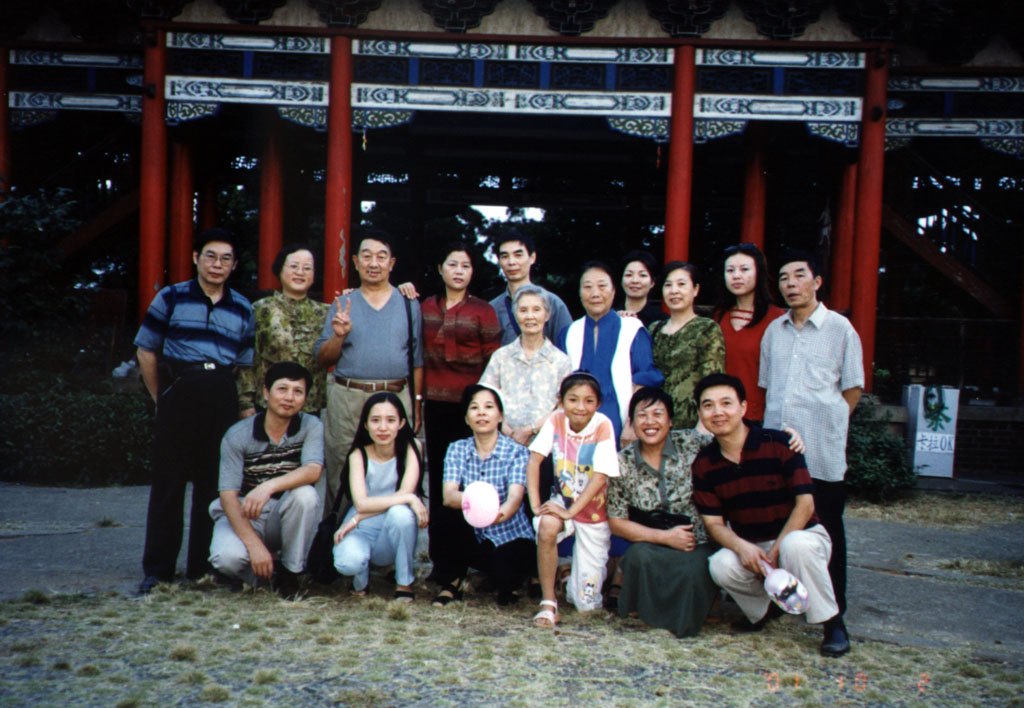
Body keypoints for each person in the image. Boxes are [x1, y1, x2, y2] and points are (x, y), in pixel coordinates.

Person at [134, 228, 254, 594]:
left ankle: (203, 568)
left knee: (213, 486)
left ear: (234, 265)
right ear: (196, 258)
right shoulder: (171, 297)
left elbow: (244, 362)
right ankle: (158, 571)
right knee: (168, 486)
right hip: (179, 391)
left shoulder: (242, 307)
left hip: (220, 395)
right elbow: (146, 349)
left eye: (226, 258)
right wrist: (161, 397)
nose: (217, 264)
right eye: (210, 256)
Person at [692, 373, 845, 656]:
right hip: (753, 544)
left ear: (743, 407)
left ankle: (832, 623)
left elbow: (806, 505)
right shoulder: (704, 464)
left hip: (802, 535)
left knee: (794, 545)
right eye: (708, 405)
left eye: (726, 403)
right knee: (721, 564)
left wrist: (777, 549)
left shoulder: (780, 443)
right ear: (700, 413)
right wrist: (742, 547)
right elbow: (714, 524)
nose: (718, 412)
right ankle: (764, 612)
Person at [759, 250, 864, 657]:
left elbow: (852, 389)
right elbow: (768, 388)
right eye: (784, 277)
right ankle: (778, 600)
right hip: (778, 452)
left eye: (799, 275)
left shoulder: (840, 329)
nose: (790, 284)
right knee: (778, 525)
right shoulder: (774, 331)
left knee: (827, 532)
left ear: (817, 282)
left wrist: (828, 422)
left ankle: (834, 620)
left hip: (821, 450)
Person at [315, 229, 424, 517]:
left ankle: (392, 534)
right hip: (348, 397)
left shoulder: (409, 304)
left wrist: (417, 405)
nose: (373, 263)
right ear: (355, 261)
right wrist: (339, 336)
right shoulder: (343, 303)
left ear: (392, 263)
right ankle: (337, 534)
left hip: (395, 396)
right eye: (367, 256)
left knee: (396, 467)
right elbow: (322, 358)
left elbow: (417, 360)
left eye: (381, 256)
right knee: (341, 466)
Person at [605, 387, 717, 637]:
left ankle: (689, 616)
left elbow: (732, 440)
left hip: (695, 540)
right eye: (642, 415)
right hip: (653, 540)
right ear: (631, 423)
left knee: (696, 568)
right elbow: (616, 521)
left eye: (658, 414)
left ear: (670, 420)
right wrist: (665, 538)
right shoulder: (621, 463)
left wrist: (783, 437)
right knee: (637, 557)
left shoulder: (691, 443)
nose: (650, 422)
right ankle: (648, 613)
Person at [421, 242, 502, 578]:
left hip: (471, 410)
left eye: (465, 266)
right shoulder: (425, 307)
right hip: (435, 406)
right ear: (440, 269)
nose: (458, 271)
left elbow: (493, 364)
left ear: (472, 272)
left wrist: (482, 409)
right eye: (452, 264)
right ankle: (442, 562)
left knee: (473, 481)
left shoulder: (484, 311)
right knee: (442, 482)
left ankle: (474, 558)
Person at [209, 362, 324, 598]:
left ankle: (290, 573)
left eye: (298, 391)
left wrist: (267, 487)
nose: (289, 397)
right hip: (246, 512)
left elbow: (313, 470)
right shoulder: (238, 435)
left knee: (306, 495)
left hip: (283, 512)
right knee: (226, 559)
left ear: (305, 398)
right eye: (282, 389)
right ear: (266, 392)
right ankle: (265, 569)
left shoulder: (311, 426)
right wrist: (254, 546)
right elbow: (228, 496)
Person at [527, 373, 620, 625]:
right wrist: (536, 505)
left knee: (585, 605)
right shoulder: (556, 420)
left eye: (589, 401)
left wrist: (572, 512)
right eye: (573, 399)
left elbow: (599, 477)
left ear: (598, 403)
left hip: (593, 511)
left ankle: (574, 577)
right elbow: (535, 460)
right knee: (547, 526)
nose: (580, 407)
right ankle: (548, 602)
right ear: (561, 401)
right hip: (563, 500)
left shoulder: (603, 425)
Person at [432, 385, 536, 607]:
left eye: (489, 407)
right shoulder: (457, 449)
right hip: (474, 533)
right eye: (474, 408)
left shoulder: (517, 451)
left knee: (504, 572)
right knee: (444, 515)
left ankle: (510, 583)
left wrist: (489, 513)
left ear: (500, 417)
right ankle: (452, 582)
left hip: (510, 534)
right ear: (467, 419)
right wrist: (478, 506)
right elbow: (449, 496)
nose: (481, 412)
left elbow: (514, 500)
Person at [332, 393, 427, 600]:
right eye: (375, 420)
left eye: (390, 420)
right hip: (361, 528)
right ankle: (361, 580)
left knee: (401, 513)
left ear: (402, 423)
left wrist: (358, 517)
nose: (383, 428)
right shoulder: (358, 454)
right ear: (366, 424)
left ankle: (404, 583)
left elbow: (404, 494)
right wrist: (410, 498)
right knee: (347, 563)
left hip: (391, 529)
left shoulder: (413, 447)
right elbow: (361, 503)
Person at [557, 261, 663, 446]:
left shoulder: (632, 329)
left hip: (620, 428)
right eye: (587, 287)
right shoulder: (569, 333)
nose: (595, 293)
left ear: (614, 291)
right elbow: (560, 384)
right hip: (576, 429)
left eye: (602, 286)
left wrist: (632, 423)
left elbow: (644, 380)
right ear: (580, 292)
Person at [238, 245, 330, 417]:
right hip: (269, 404)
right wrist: (245, 402)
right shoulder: (261, 309)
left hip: (311, 406)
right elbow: (248, 359)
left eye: (307, 268)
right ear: (280, 269)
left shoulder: (326, 313)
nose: (300, 272)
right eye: (294, 266)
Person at [479, 284, 572, 447]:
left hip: (547, 446)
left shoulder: (561, 360)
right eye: (523, 310)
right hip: (504, 443)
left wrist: (531, 429)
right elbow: (484, 397)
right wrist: (504, 427)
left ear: (547, 315)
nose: (530, 316)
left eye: (536, 310)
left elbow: (564, 406)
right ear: (516, 315)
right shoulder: (501, 357)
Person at [713, 243, 785, 423]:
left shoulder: (777, 319)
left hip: (761, 417)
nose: (736, 276)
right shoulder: (719, 316)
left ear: (759, 273)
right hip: (721, 414)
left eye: (744, 269)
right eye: (730, 270)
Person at [650, 261, 725, 429]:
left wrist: (704, 424)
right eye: (668, 285)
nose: (674, 290)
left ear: (695, 289)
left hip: (692, 424)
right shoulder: (654, 329)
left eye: (681, 284)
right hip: (655, 422)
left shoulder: (707, 328)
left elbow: (712, 379)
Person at [489, 229, 572, 346]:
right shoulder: (492, 309)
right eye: (505, 256)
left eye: (518, 255)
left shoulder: (553, 303)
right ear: (499, 261)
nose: (511, 262)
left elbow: (568, 347)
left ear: (532, 257)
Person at [618, 249, 666, 327]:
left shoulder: (661, 321)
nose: (635, 280)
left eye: (643, 275)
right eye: (629, 275)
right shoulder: (610, 316)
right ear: (621, 279)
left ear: (652, 282)